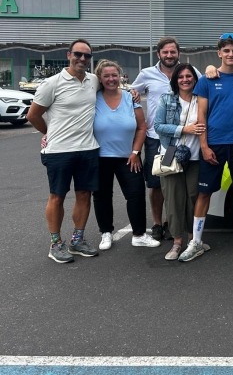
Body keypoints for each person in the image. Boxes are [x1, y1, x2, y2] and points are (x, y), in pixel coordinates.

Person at [178, 33, 233, 262]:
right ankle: (196, 241)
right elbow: (201, 116)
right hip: (214, 144)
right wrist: (204, 146)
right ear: (219, 53)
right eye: (226, 50)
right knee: (204, 193)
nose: (231, 54)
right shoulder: (207, 80)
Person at [27, 39, 101, 264]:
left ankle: (77, 240)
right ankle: (55, 243)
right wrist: (48, 133)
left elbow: (112, 87)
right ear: (69, 55)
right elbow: (33, 115)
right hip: (59, 151)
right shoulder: (52, 83)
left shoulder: (93, 80)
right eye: (78, 54)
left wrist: (134, 94)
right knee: (57, 196)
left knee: (84, 194)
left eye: (87, 56)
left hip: (88, 149)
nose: (82, 59)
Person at [131, 37, 199, 241]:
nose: (169, 55)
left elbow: (207, 84)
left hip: (187, 142)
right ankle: (158, 223)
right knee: (157, 184)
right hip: (157, 139)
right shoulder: (147, 74)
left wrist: (212, 68)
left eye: (173, 52)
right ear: (158, 54)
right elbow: (131, 92)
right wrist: (133, 92)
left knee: (182, 186)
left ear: (178, 53)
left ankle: (173, 223)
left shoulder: (190, 72)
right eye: (165, 52)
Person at [92, 60, 160, 251]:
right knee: (102, 196)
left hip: (128, 157)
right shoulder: (93, 98)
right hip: (100, 156)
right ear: (100, 78)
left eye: (114, 75)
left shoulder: (131, 97)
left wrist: (135, 152)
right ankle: (106, 232)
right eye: (106, 76)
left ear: (120, 76)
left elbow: (142, 127)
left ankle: (139, 235)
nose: (111, 79)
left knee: (136, 194)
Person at [154, 63, 206, 261]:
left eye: (189, 76)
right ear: (175, 80)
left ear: (195, 78)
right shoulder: (167, 99)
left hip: (195, 155)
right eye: (181, 77)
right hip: (170, 152)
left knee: (194, 197)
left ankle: (194, 240)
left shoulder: (202, 99)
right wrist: (184, 129)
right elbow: (158, 126)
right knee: (173, 198)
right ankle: (177, 242)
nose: (185, 80)